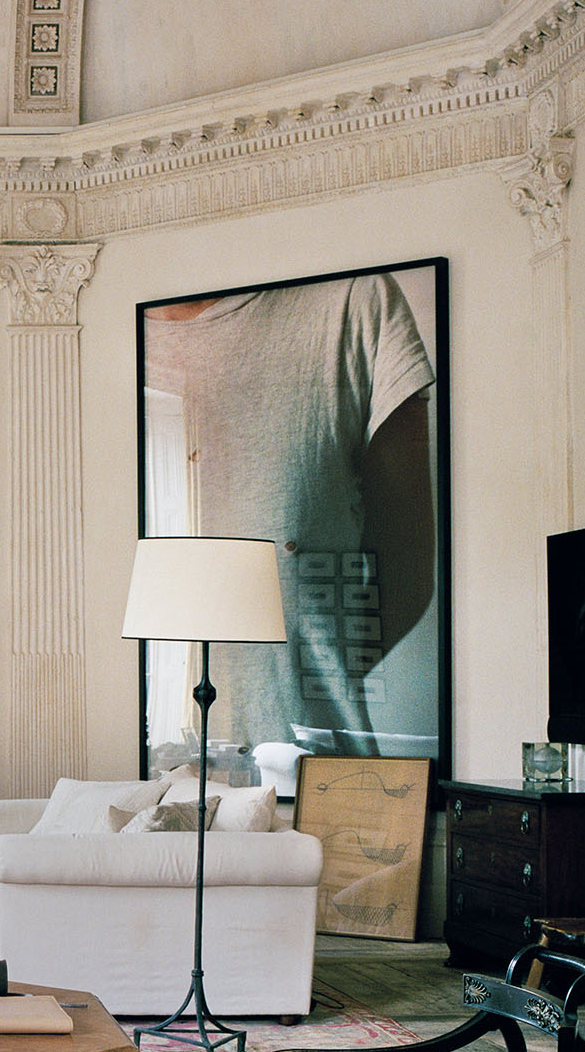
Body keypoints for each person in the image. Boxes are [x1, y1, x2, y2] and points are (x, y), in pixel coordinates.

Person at [141, 270, 436, 756]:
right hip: (164, 768)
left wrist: (305, 682)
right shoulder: (103, 354)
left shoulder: (351, 304)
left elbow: (407, 573)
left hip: (320, 783)